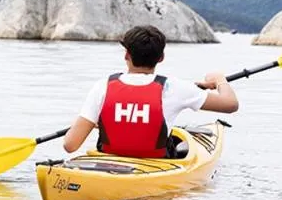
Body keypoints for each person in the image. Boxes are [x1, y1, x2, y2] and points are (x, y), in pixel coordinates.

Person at [62, 25, 238, 159]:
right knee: (180, 145)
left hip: (109, 164)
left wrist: (99, 122)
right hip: (156, 164)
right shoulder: (177, 88)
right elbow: (230, 105)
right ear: (161, 58)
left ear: (126, 55)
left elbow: (70, 145)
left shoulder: (103, 86)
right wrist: (219, 80)